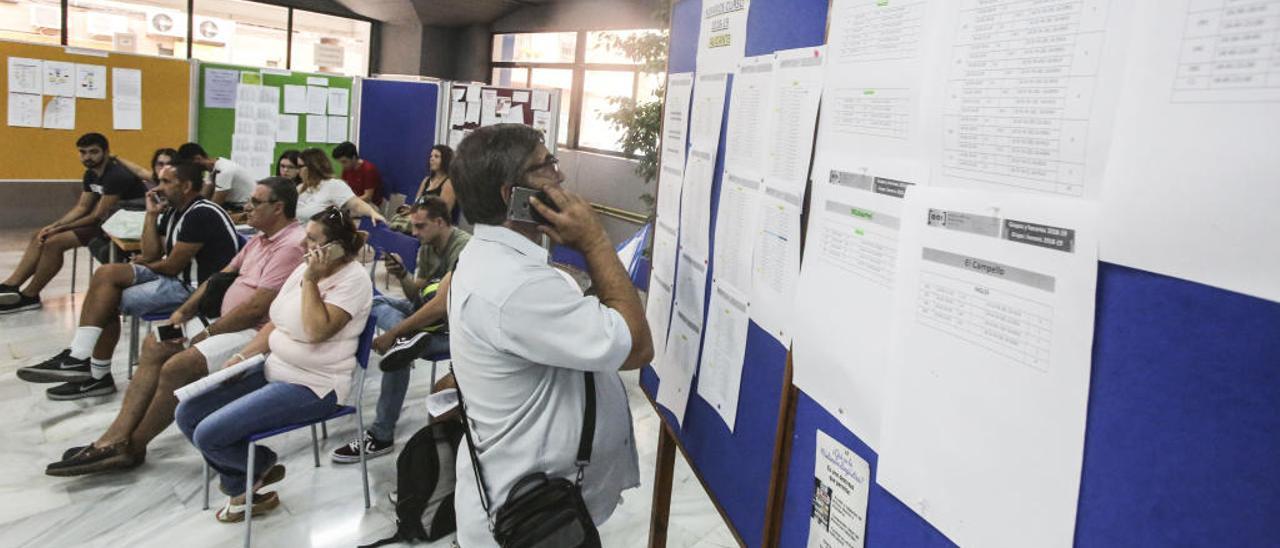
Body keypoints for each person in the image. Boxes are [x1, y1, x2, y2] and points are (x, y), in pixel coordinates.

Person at [446, 124, 653, 547]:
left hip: (545, 500)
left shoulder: (498, 258)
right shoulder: (515, 285)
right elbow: (635, 346)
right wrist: (595, 239)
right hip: (537, 516)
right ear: (512, 195)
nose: (559, 176)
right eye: (546, 166)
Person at [45, 177, 306, 477]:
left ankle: (132, 447)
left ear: (278, 208)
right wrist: (183, 311)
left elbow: (256, 309)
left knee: (176, 367)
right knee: (155, 344)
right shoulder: (259, 240)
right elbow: (217, 279)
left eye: (256, 202)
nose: (247, 206)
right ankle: (116, 436)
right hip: (218, 322)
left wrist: (208, 332)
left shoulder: (289, 246)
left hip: (253, 334)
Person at [175, 206, 372, 522]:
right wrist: (242, 357)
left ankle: (253, 471)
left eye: (311, 240)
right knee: (187, 414)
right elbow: (276, 322)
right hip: (273, 367)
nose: (300, 245)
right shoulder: (306, 264)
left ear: (335, 248)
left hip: (315, 385)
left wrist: (310, 279)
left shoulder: (352, 280)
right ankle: (250, 478)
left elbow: (316, 330)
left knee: (209, 434)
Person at [16, 161, 242, 400]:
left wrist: (143, 263)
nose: (157, 187)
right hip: (175, 275)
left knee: (107, 300)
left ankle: (95, 374)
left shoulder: (201, 213)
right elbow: (152, 253)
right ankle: (79, 356)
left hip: (196, 289)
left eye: (166, 182)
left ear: (186, 186)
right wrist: (151, 215)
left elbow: (170, 265)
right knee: (106, 274)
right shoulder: (176, 209)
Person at [331, 196, 470, 463]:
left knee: (398, 351)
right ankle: (407, 340)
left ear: (440, 222)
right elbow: (416, 295)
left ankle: (381, 435)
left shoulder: (463, 249)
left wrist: (393, 334)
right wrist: (402, 275)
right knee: (372, 302)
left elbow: (441, 306)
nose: (414, 233)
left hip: (453, 332)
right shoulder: (429, 245)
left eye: (420, 227)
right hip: (427, 321)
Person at [0, 133, 146, 314]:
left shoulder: (117, 175)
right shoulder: (91, 174)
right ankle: (10, 285)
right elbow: (82, 207)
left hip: (124, 227)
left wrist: (61, 229)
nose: (87, 157)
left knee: (54, 243)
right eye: (83, 152)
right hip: (107, 222)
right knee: (40, 234)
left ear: (106, 152)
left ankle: (30, 296)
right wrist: (54, 226)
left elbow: (96, 216)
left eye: (93, 152)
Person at [296, 148, 386, 224]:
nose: (297, 170)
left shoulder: (333, 185)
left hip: (321, 238)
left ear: (312, 167)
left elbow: (356, 203)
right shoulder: (299, 188)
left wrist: (372, 213)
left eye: (300, 166)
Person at [391, 145, 455, 234]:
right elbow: (418, 201)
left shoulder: (448, 183)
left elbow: (443, 212)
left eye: (436, 156)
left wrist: (421, 216)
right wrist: (411, 210)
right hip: (421, 217)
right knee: (396, 220)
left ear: (445, 160)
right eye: (431, 156)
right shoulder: (426, 180)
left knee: (407, 225)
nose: (431, 159)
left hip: (435, 223)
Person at [175, 142, 255, 210]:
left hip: (246, 208)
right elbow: (202, 198)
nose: (189, 170)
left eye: (189, 165)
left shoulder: (224, 170)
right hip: (234, 206)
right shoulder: (212, 170)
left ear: (198, 159)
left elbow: (214, 206)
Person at [332, 141, 383, 206]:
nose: (342, 165)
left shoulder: (368, 169)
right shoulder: (347, 168)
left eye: (344, 162)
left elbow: (367, 197)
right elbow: (343, 188)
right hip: (355, 201)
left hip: (370, 205)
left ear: (353, 158)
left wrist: (347, 203)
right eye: (340, 162)